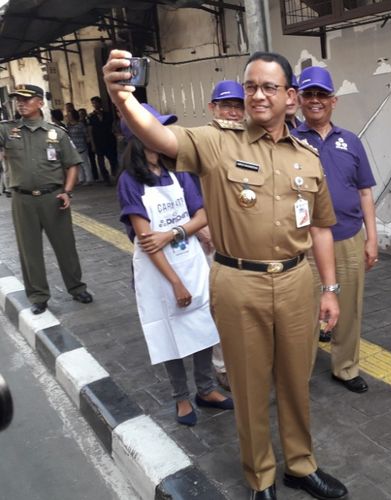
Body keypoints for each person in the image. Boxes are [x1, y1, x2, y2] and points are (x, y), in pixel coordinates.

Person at [103, 50, 347, 500]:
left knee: (297, 380)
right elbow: (157, 134)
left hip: (296, 281)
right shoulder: (217, 142)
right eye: (250, 86)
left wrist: (329, 288)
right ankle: (262, 477)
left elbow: (320, 227)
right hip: (238, 281)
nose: (257, 95)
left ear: (289, 97)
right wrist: (123, 98)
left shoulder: (308, 158)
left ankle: (299, 464)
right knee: (251, 386)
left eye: (269, 87)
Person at [117, 105, 233, 426]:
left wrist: (172, 233)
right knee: (168, 333)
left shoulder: (178, 172)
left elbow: (201, 216)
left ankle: (206, 389)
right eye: (157, 129)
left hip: (190, 261)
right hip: (159, 272)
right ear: (139, 136)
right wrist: (175, 282)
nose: (165, 135)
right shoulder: (130, 181)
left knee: (202, 326)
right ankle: (181, 398)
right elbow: (146, 240)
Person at [293, 67, 378, 394]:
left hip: (348, 238)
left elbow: (365, 192)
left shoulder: (351, 141)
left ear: (333, 101)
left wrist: (372, 238)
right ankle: (299, 374)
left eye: (322, 95)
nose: (316, 101)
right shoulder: (291, 141)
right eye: (309, 95)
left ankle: (345, 368)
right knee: (305, 312)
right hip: (305, 243)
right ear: (299, 100)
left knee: (350, 309)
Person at [0, 84, 93, 315]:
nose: (20, 103)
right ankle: (38, 296)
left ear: (40, 102)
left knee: (66, 246)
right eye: (17, 99)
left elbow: (72, 165)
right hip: (22, 200)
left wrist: (67, 191)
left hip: (53, 197)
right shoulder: (7, 130)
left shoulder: (57, 133)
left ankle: (76, 287)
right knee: (29, 250)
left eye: (26, 99)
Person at [204, 79, 246, 391]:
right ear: (212, 108)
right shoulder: (201, 142)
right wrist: (207, 230)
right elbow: (190, 193)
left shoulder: (251, 141)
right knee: (218, 305)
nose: (232, 112)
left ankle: (249, 361)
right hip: (213, 242)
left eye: (237, 105)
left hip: (248, 240)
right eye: (226, 105)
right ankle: (222, 365)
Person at [89, 96, 119, 184]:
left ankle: (116, 176)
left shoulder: (108, 114)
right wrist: (93, 144)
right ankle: (106, 179)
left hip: (109, 141)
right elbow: (90, 131)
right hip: (98, 142)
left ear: (100, 103)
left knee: (113, 160)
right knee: (101, 163)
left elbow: (113, 126)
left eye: (96, 103)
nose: (95, 105)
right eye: (93, 103)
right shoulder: (91, 117)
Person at [67, 109, 94, 185]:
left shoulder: (80, 124)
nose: (68, 117)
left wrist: (88, 141)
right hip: (73, 147)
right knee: (77, 164)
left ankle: (89, 179)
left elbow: (86, 134)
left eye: (70, 115)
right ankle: (81, 179)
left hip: (81, 145)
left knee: (84, 163)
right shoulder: (68, 126)